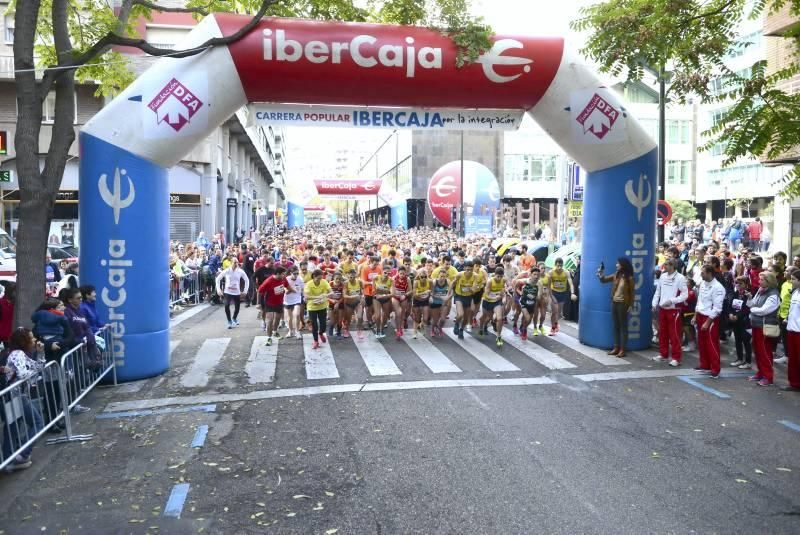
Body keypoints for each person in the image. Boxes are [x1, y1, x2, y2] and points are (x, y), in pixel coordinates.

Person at [1, 327, 46, 472]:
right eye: (31, 338)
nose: (34, 340)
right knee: (37, 422)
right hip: (17, 394)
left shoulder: (22, 354)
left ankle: (9, 459)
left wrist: (40, 353)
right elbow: (22, 374)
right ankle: (21, 453)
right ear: (24, 340)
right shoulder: (17, 354)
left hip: (17, 395)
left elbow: (39, 367)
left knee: (13, 428)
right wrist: (33, 372)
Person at [651, 259, 689, 367]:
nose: (664, 266)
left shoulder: (680, 278)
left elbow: (685, 295)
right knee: (662, 333)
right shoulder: (662, 276)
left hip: (674, 310)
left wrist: (672, 301)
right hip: (662, 309)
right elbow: (658, 291)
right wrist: (654, 304)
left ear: (672, 266)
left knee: (675, 334)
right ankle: (663, 355)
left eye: (666, 264)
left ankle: (676, 358)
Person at [746, 271, 781, 386]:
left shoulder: (773, 294)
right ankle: (760, 373)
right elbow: (752, 304)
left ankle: (768, 377)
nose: (759, 281)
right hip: (757, 325)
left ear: (769, 281)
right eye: (759, 279)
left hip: (765, 327)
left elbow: (765, 310)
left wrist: (753, 310)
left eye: (762, 280)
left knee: (765, 352)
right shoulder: (760, 291)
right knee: (757, 351)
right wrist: (750, 299)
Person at [597, 258, 635, 358]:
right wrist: (600, 274)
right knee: (616, 326)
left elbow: (632, 293)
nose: (616, 265)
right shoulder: (616, 275)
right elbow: (604, 280)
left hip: (623, 304)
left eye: (618, 263)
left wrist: (631, 305)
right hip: (614, 303)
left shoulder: (629, 278)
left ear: (623, 265)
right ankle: (616, 348)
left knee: (623, 327)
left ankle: (623, 349)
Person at [693, 265, 726, 378]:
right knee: (701, 342)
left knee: (711, 344)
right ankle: (705, 365)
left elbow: (717, 308)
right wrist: (695, 315)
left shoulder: (718, 287)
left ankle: (715, 368)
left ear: (709, 273)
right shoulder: (702, 283)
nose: (701, 275)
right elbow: (699, 300)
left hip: (710, 319)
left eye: (703, 273)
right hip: (700, 315)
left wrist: (708, 322)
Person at [257, 266, 293, 346]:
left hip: (279, 302)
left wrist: (288, 291)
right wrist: (258, 304)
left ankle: (275, 332)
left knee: (277, 319)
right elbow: (259, 291)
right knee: (270, 321)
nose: (284, 276)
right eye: (283, 274)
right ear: (277, 274)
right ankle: (269, 338)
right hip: (269, 303)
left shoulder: (283, 279)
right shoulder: (268, 281)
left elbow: (288, 287)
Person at [215, 258, 249, 329]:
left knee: (237, 307)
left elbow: (247, 280)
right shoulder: (227, 271)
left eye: (237, 263)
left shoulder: (240, 271)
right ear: (231, 263)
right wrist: (218, 289)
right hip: (228, 291)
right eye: (234, 262)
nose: (236, 264)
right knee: (226, 305)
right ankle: (229, 321)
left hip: (237, 292)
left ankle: (234, 318)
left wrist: (245, 291)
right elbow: (218, 279)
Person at [546, 258, 577, 335]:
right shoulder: (551, 272)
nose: (559, 268)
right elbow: (548, 286)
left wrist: (572, 293)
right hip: (554, 293)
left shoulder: (566, 272)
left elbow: (571, 284)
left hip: (563, 293)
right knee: (554, 312)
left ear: (562, 265)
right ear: (555, 265)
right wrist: (550, 296)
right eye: (557, 266)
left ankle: (556, 324)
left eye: (560, 266)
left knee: (559, 313)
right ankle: (553, 328)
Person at [728, 276, 753, 369]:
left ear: (746, 285)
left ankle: (748, 361)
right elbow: (730, 305)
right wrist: (730, 314)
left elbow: (747, 309)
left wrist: (737, 316)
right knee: (737, 340)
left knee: (746, 341)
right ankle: (739, 358)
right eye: (736, 283)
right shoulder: (735, 293)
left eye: (740, 283)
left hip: (745, 322)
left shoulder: (748, 295)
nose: (738, 285)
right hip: (735, 322)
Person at [479, 267, 507, 347]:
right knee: (484, 317)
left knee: (499, 319)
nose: (499, 278)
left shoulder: (503, 280)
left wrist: (504, 298)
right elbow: (486, 295)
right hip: (487, 302)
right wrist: (494, 297)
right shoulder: (490, 281)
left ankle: (498, 336)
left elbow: (503, 292)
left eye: (501, 276)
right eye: (498, 276)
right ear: (495, 274)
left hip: (496, 302)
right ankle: (481, 328)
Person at [782, 270, 800, 391]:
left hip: (799, 332)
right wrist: (787, 319)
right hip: (791, 330)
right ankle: (794, 383)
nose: (791, 281)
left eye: (793, 279)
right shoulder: (795, 292)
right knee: (792, 359)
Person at [304, 269, 332, 349]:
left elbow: (331, 292)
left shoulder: (324, 282)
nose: (320, 280)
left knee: (323, 324)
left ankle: (321, 333)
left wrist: (325, 295)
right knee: (314, 325)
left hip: (322, 306)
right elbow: (306, 296)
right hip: (312, 307)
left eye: (321, 278)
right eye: (318, 278)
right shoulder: (309, 284)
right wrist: (317, 297)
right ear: (314, 277)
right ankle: (316, 341)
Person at [283, 267, 304, 339]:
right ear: (290, 273)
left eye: (297, 273)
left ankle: (297, 331)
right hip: (287, 300)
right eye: (294, 274)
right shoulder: (286, 279)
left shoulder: (300, 279)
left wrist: (303, 296)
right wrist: (292, 289)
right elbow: (286, 292)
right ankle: (290, 331)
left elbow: (302, 290)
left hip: (297, 299)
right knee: (289, 318)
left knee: (297, 314)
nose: (296, 275)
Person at [429, 270, 451, 337]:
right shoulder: (435, 282)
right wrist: (441, 297)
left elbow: (452, 291)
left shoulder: (448, 281)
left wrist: (448, 297)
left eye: (444, 276)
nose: (442, 278)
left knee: (443, 319)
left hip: (444, 303)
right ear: (438, 275)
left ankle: (440, 328)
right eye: (441, 276)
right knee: (435, 320)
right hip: (435, 303)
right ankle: (432, 329)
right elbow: (431, 293)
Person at [411, 269, 431, 339]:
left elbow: (431, 291)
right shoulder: (416, 282)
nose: (424, 278)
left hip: (425, 301)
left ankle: (421, 325)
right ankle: (414, 332)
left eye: (425, 277)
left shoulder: (430, 281)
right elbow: (414, 295)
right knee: (417, 318)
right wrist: (424, 292)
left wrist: (429, 296)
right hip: (417, 301)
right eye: (422, 277)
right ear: (419, 276)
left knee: (425, 319)